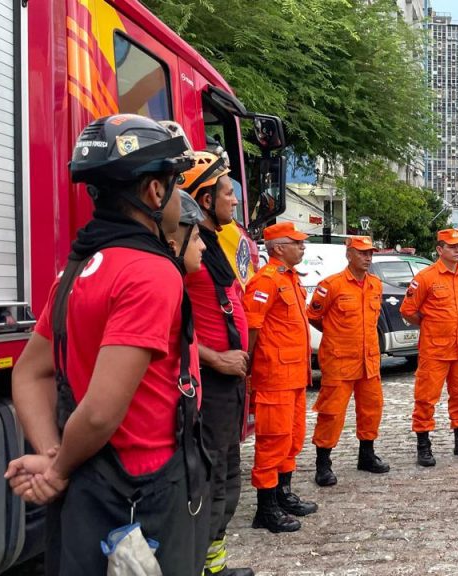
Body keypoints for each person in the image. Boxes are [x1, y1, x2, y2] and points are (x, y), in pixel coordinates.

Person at [4, 114, 207, 574]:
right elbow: (100, 410)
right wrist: (56, 470)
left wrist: (54, 452)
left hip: (87, 487)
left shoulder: (75, 270)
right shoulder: (150, 272)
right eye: (175, 184)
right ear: (154, 193)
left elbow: (30, 372)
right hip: (141, 492)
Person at [181, 152, 255, 576]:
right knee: (208, 482)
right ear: (204, 198)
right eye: (228, 192)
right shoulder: (186, 250)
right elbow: (172, 321)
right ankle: (197, 565)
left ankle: (213, 564)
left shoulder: (211, 244)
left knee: (226, 479)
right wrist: (215, 358)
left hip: (229, 386)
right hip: (209, 383)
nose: (234, 201)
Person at [244, 222, 318, 533]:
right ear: (277, 248)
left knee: (292, 438)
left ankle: (282, 493)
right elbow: (252, 327)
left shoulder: (291, 279)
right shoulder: (266, 280)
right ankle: (266, 508)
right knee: (272, 441)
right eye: (297, 243)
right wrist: (248, 367)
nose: (302, 247)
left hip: (295, 374)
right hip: (274, 375)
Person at [307, 235, 390, 487]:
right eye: (362, 253)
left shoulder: (375, 284)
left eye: (370, 253)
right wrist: (336, 336)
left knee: (371, 410)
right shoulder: (331, 285)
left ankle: (366, 455)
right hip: (339, 360)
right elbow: (314, 316)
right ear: (349, 255)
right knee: (331, 413)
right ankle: (323, 464)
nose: (367, 258)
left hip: (369, 360)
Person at [400, 228, 458, 466]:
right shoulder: (426, 277)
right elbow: (407, 310)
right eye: (451, 246)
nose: (457, 250)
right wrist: (429, 324)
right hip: (434, 350)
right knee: (426, 399)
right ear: (440, 250)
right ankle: (423, 445)